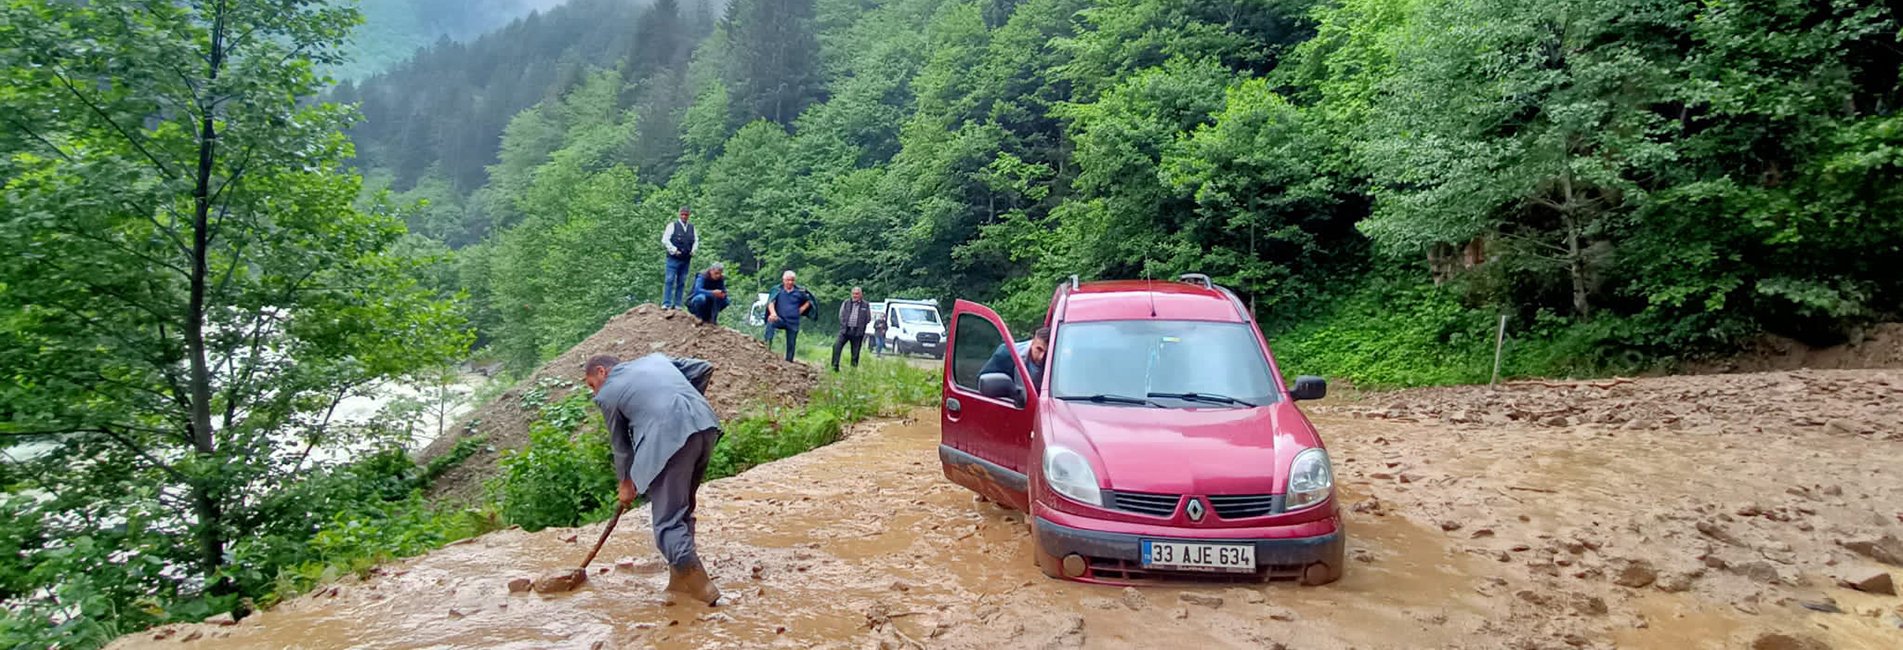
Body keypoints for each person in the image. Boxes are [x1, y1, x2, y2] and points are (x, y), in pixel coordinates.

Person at [583, 353, 722, 606]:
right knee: (681, 510)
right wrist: (680, 404)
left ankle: (702, 587)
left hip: (671, 439)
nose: (595, 394)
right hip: (705, 425)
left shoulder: (608, 393)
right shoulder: (656, 360)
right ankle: (680, 582)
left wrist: (626, 482)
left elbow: (621, 445)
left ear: (602, 371)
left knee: (667, 524)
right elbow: (703, 367)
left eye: (592, 385)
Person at [762, 270, 813, 362]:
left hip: (793, 321)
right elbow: (771, 302)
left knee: (791, 343)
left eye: (792, 280)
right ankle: (766, 347)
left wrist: (802, 309)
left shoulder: (800, 291)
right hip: (780, 318)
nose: (790, 282)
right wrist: (773, 313)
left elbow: (809, 300)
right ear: (783, 280)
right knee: (771, 321)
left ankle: (789, 362)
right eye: (788, 280)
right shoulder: (777, 290)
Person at [980, 326, 1050, 390]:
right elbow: (983, 382)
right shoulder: (1007, 353)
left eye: (1047, 353)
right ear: (1032, 342)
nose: (1041, 357)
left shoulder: (1056, 360)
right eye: (1039, 349)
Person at [660, 207, 698, 310]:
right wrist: (673, 250)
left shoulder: (692, 228)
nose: (684, 216)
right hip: (673, 258)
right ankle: (666, 303)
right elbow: (665, 240)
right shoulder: (672, 226)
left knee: (681, 282)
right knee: (669, 280)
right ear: (679, 214)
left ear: (689, 215)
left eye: (686, 215)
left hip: (686, 259)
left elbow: (696, 241)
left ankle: (677, 304)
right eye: (682, 214)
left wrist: (693, 251)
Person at [832, 287, 872, 372]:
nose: (855, 295)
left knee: (855, 352)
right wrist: (844, 325)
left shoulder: (865, 305)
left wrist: (861, 326)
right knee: (836, 346)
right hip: (845, 330)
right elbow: (841, 315)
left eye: (857, 294)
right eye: (854, 293)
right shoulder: (846, 303)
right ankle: (834, 367)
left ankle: (853, 370)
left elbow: (868, 318)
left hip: (858, 332)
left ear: (861, 295)